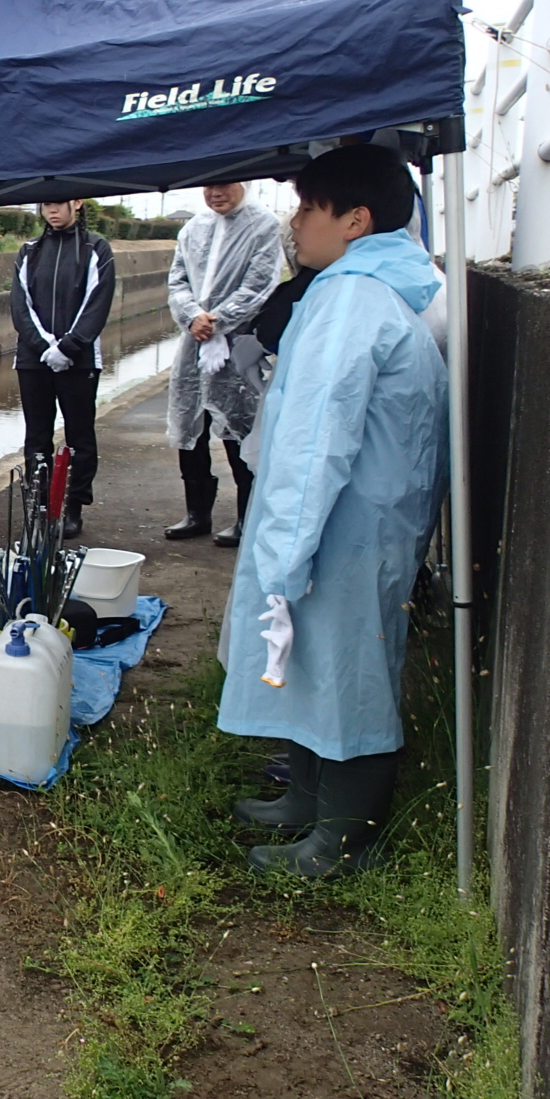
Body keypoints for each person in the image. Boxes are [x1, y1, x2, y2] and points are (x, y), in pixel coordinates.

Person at [217, 145, 448, 879]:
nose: (296, 223)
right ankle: (308, 800)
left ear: (356, 220)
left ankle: (344, 841)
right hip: (355, 521)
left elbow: (317, 439)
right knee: (321, 661)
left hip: (347, 525)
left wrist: (283, 552)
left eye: (308, 209)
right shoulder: (362, 291)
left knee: (351, 670)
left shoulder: (352, 301)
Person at [164, 182, 284, 545]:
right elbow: (177, 281)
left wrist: (218, 320)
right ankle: (197, 513)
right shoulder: (193, 228)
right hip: (193, 342)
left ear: (243, 184)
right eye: (209, 186)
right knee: (191, 426)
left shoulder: (263, 225)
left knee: (239, 428)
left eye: (224, 185)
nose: (215, 192)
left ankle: (248, 516)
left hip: (238, 343)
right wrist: (192, 316)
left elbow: (259, 284)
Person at [9, 199, 116, 537]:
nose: (52, 211)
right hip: (34, 360)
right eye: (46, 205)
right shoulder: (29, 251)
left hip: (79, 360)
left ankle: (72, 507)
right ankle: (39, 505)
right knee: (36, 436)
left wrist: (69, 346)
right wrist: (45, 347)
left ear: (77, 203)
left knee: (79, 436)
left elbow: (97, 302)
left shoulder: (95, 248)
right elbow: (20, 304)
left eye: (58, 204)